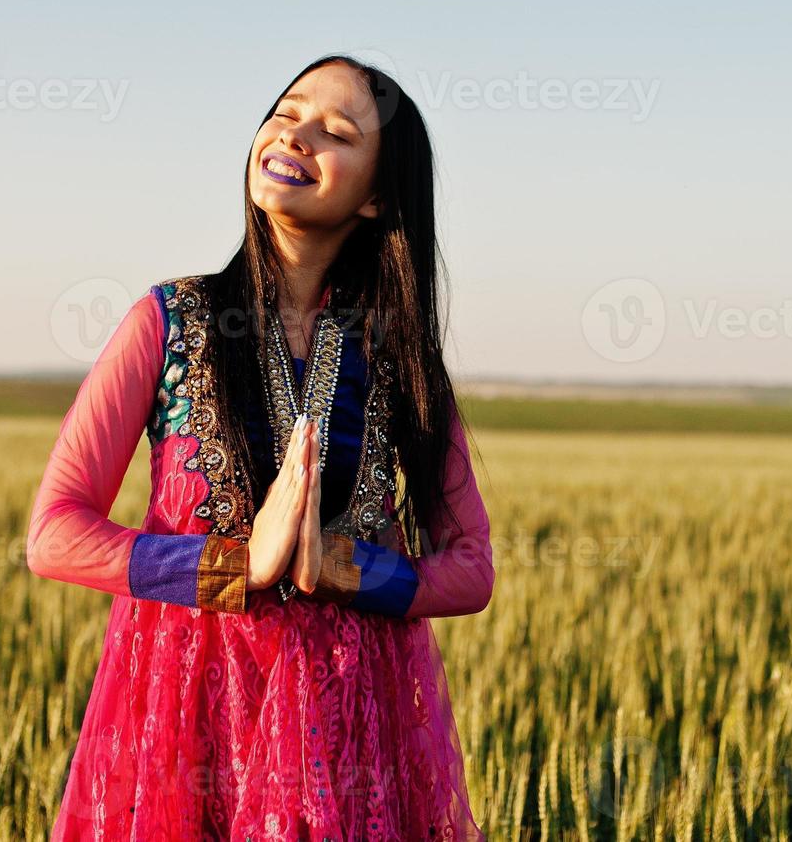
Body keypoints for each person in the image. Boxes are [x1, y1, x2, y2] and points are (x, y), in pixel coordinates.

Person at [26, 54, 495, 839]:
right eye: (287, 110)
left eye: (335, 130)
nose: (295, 132)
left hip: (346, 736)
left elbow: (471, 567)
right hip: (187, 722)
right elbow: (53, 534)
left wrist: (343, 568)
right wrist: (239, 567)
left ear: (378, 196)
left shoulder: (401, 359)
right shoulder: (168, 323)